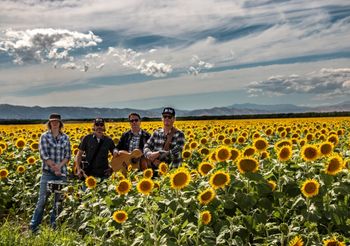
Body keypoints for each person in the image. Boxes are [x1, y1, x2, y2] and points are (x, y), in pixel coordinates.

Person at [30, 113, 71, 233]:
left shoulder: (65, 138)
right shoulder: (44, 136)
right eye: (52, 121)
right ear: (49, 123)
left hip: (62, 173)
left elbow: (68, 155)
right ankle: (34, 227)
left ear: (60, 123)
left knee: (59, 202)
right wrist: (54, 167)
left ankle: (54, 226)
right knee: (42, 200)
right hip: (48, 173)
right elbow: (43, 155)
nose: (54, 123)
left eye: (56, 121)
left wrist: (59, 167)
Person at [144, 107, 185, 171]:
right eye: (165, 116)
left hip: (172, 171)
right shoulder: (156, 133)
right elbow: (147, 146)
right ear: (162, 118)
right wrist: (150, 155)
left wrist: (160, 153)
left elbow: (178, 150)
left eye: (169, 117)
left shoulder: (179, 134)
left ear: (174, 119)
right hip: (155, 170)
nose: (167, 118)